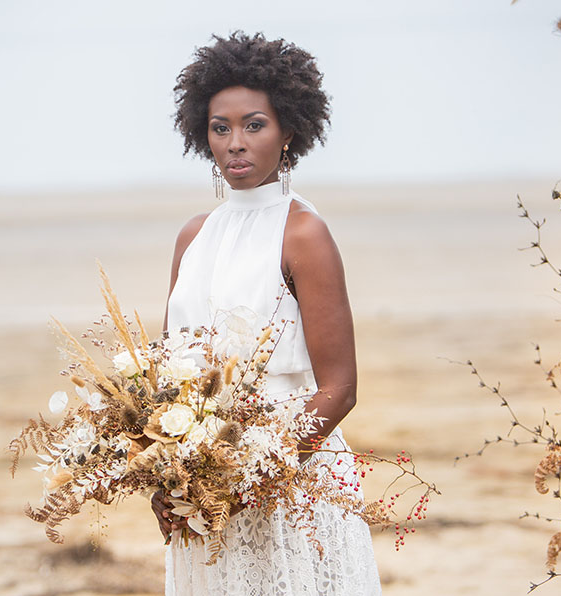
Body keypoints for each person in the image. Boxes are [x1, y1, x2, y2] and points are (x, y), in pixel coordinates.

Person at [152, 32, 382, 595]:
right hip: (203, 495)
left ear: (289, 132)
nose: (235, 142)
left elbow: (340, 388)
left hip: (292, 485)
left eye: (254, 124)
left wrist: (253, 474)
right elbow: (164, 380)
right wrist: (165, 474)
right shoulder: (192, 236)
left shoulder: (304, 232)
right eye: (220, 127)